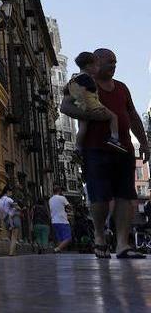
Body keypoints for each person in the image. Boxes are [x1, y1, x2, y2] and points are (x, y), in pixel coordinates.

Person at [60, 48, 150, 259]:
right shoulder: (83, 82)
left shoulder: (121, 88)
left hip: (123, 148)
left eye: (115, 62)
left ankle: (122, 244)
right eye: (109, 61)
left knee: (125, 196)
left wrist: (145, 144)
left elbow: (134, 116)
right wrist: (90, 114)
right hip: (95, 149)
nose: (114, 65)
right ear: (96, 62)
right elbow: (64, 107)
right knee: (99, 197)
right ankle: (99, 236)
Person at [68, 52, 124, 152]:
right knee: (113, 117)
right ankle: (114, 139)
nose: (98, 68)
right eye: (96, 65)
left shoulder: (74, 79)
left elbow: (69, 90)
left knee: (82, 128)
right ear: (89, 66)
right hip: (92, 105)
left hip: (81, 106)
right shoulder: (87, 78)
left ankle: (78, 148)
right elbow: (91, 89)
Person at [0, 187, 21, 256]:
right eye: (11, 192)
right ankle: (11, 252)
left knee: (10, 236)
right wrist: (19, 208)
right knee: (14, 236)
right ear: (7, 191)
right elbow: (17, 207)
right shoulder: (9, 199)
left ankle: (13, 251)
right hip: (13, 218)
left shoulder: (0, 200)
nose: (11, 194)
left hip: (6, 219)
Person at [49, 185, 73, 253]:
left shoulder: (50, 199)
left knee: (59, 239)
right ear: (59, 191)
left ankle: (59, 252)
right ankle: (56, 249)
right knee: (68, 238)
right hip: (62, 221)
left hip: (54, 221)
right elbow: (69, 207)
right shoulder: (62, 198)